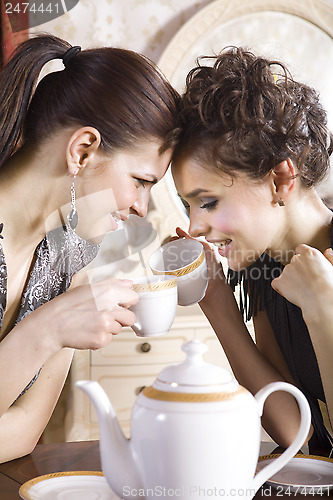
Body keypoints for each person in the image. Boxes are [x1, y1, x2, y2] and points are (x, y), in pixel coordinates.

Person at [0, 34, 179, 462]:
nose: (142, 208)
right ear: (82, 151)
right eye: (141, 181)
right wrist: (47, 329)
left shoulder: (69, 257)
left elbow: (24, 432)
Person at [171, 46, 333, 454]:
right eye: (186, 206)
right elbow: (297, 429)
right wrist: (218, 304)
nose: (194, 227)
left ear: (280, 179)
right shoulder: (262, 266)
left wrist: (323, 307)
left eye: (207, 202)